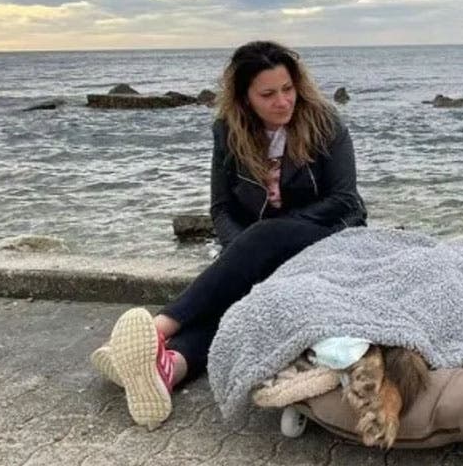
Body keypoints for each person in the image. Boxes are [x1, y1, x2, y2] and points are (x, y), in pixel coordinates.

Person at [89, 40, 367, 429]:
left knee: (263, 241)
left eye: (287, 89)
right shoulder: (228, 131)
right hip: (257, 247)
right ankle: (170, 368)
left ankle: (160, 328)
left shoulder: (325, 122)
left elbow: (345, 199)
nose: (282, 102)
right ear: (245, 97)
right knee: (236, 302)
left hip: (328, 234)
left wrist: (266, 236)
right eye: (268, 94)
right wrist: (242, 254)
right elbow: (220, 208)